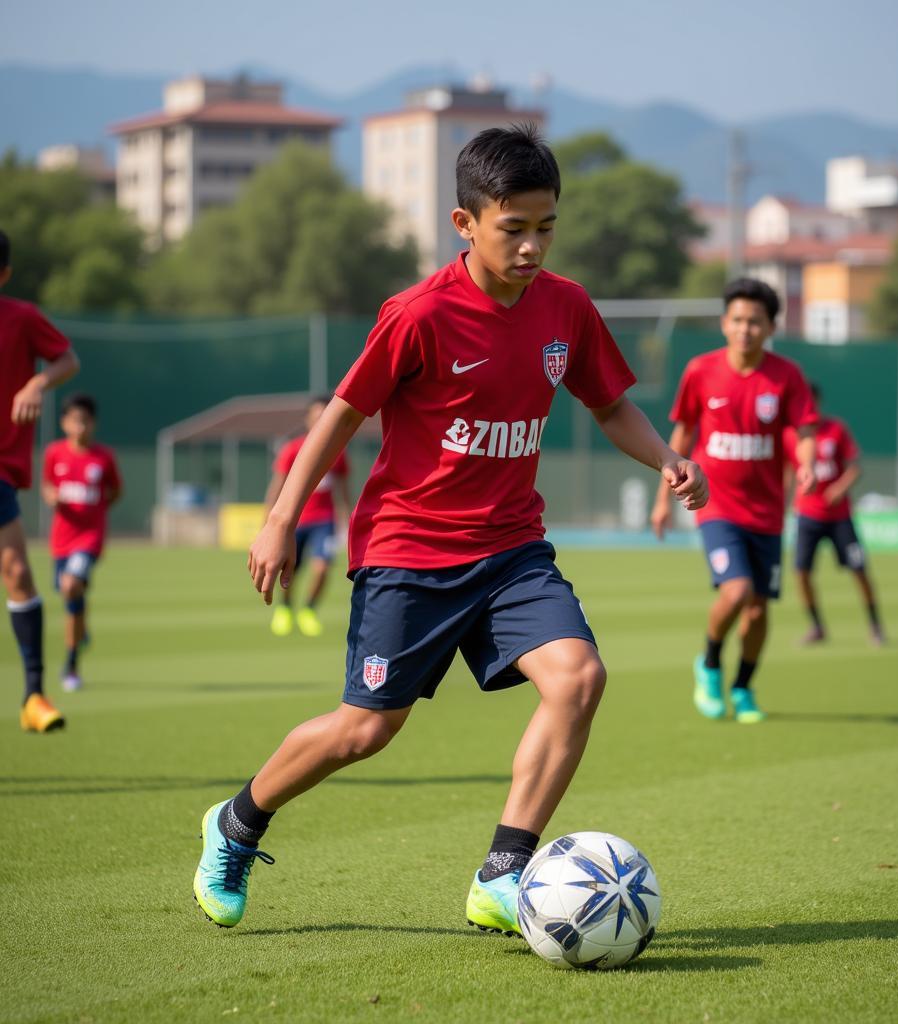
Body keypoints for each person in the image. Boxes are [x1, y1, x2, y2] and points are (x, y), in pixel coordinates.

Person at [191, 125, 708, 933]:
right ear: (465, 223)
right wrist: (281, 518)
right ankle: (235, 823)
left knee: (578, 678)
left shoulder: (566, 307)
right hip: (409, 553)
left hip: (512, 551)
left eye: (546, 228)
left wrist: (665, 458)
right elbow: (340, 416)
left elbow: (609, 404)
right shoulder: (418, 314)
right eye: (515, 228)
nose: (533, 246)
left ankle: (501, 874)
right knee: (366, 730)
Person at [651, 277, 815, 724]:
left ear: (770, 327)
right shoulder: (701, 371)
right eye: (738, 320)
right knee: (737, 590)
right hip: (715, 505)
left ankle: (742, 687)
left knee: (759, 608)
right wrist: (663, 498)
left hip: (768, 512)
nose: (746, 329)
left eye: (755, 322)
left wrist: (806, 464)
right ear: (725, 323)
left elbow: (803, 431)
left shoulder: (786, 376)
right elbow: (681, 435)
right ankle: (708, 663)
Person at [0, 229, 80, 731]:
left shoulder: (22, 318)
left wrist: (36, 382)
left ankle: (33, 695)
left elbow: (67, 359)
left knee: (18, 572)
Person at [783, 383, 884, 646]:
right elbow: (786, 474)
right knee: (801, 572)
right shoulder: (789, 435)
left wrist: (840, 488)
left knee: (859, 570)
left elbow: (855, 468)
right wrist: (781, 504)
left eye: (810, 402)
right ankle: (816, 626)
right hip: (807, 516)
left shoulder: (836, 430)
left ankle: (875, 625)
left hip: (839, 517)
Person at [41, 394, 122, 691]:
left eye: (85, 421)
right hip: (61, 539)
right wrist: (51, 496)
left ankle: (71, 664)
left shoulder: (103, 458)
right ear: (64, 423)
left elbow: (115, 491)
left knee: (70, 585)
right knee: (70, 596)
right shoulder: (54, 453)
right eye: (75, 421)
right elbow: (48, 484)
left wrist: (95, 512)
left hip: (89, 539)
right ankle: (82, 631)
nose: (80, 427)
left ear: (93, 424)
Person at [266, 396, 351, 638]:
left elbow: (343, 491)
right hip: (296, 520)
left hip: (325, 520)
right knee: (289, 571)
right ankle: (285, 608)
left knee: (322, 568)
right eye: (316, 416)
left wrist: (347, 524)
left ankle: (309, 610)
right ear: (308, 418)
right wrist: (269, 522)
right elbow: (277, 487)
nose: (320, 421)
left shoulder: (338, 452)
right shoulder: (292, 449)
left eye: (325, 416)